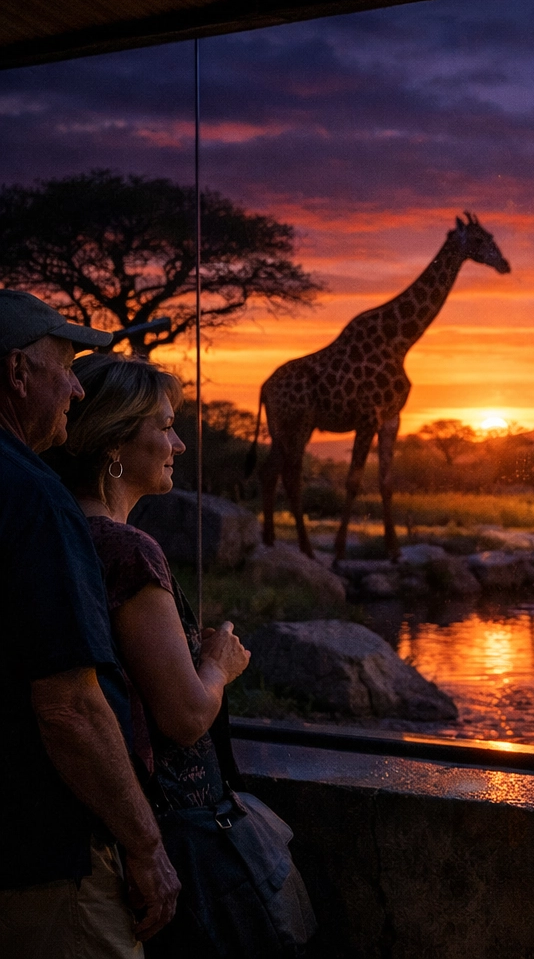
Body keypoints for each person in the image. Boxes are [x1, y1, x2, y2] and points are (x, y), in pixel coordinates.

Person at [45, 352, 311, 956]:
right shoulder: (128, 551)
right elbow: (185, 715)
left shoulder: (60, 530)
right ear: (113, 446)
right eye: (163, 427)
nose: (180, 445)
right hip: (162, 831)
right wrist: (219, 662)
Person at [0, 290, 179, 957]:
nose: (76, 386)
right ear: (18, 374)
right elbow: (70, 707)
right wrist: (145, 844)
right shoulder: (34, 499)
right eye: (61, 366)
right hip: (43, 855)